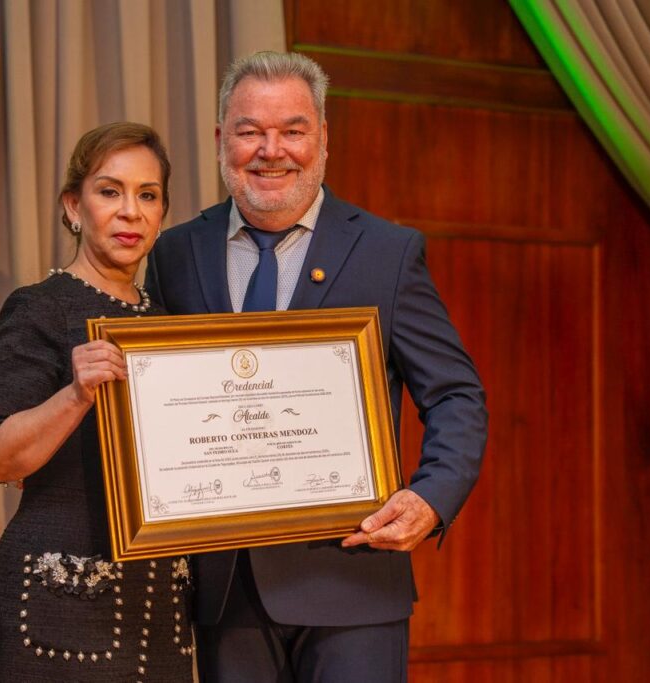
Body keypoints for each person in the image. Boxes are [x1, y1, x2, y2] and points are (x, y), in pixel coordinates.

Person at [145, 52, 488, 682]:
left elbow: (456, 395)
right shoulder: (175, 252)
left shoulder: (387, 252)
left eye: (293, 130)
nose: (271, 151)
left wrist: (431, 498)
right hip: (225, 596)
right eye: (250, 131)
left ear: (323, 138)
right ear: (221, 140)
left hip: (353, 580)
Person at [0, 122, 194, 682]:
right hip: (58, 602)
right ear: (74, 206)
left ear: (162, 213)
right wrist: (75, 395)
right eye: (109, 191)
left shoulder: (171, 325)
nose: (130, 212)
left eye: (148, 195)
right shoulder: (39, 308)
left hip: (160, 608)